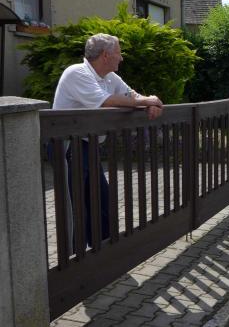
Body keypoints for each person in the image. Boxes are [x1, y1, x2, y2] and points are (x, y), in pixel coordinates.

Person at [52, 33, 164, 248]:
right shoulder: (77, 72)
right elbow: (107, 100)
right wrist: (148, 101)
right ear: (105, 55)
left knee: (102, 202)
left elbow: (132, 96)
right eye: (119, 53)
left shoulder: (110, 77)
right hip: (68, 147)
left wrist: (149, 102)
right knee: (76, 207)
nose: (121, 58)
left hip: (88, 145)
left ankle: (102, 253)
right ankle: (75, 259)